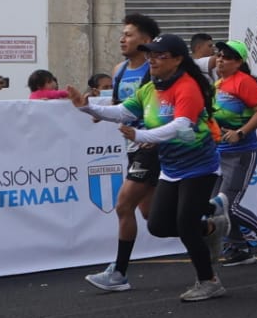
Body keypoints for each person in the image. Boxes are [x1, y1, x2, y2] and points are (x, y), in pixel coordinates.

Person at [67, 34, 231, 302]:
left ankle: (209, 281)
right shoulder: (150, 88)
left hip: (200, 166)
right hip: (171, 167)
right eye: (150, 54)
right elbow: (122, 112)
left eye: (159, 55)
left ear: (178, 59)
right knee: (157, 224)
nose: (152, 59)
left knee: (185, 225)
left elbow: (181, 126)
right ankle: (211, 219)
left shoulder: (187, 87)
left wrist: (140, 137)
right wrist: (86, 108)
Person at [82, 12, 162, 292]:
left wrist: (153, 135)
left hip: (151, 145)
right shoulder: (119, 70)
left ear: (146, 40)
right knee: (152, 215)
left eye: (129, 34)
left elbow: (164, 107)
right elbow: (118, 105)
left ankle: (119, 273)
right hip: (131, 145)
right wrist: (97, 112)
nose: (122, 39)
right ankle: (210, 222)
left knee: (124, 205)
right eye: (122, 34)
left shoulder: (154, 70)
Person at [210, 40, 257, 266]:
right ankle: (238, 247)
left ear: (238, 62)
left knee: (229, 204)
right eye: (219, 55)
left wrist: (241, 132)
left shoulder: (243, 82)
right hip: (221, 152)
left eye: (227, 57)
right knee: (215, 204)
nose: (221, 59)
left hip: (242, 152)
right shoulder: (218, 84)